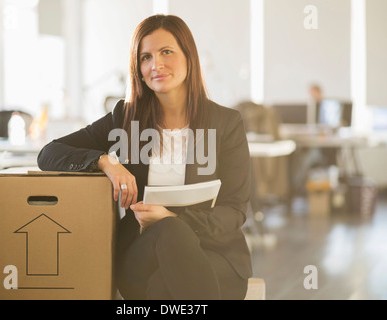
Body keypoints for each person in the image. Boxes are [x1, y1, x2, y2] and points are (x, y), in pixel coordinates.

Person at [37, 14, 252, 300]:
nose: (156, 65)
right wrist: (106, 162)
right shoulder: (125, 119)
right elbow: (49, 153)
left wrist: (173, 218)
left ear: (189, 56)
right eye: (145, 57)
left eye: (166, 52)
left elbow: (234, 210)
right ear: (138, 68)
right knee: (168, 244)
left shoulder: (225, 123)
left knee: (167, 275)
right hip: (142, 255)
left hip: (214, 252)